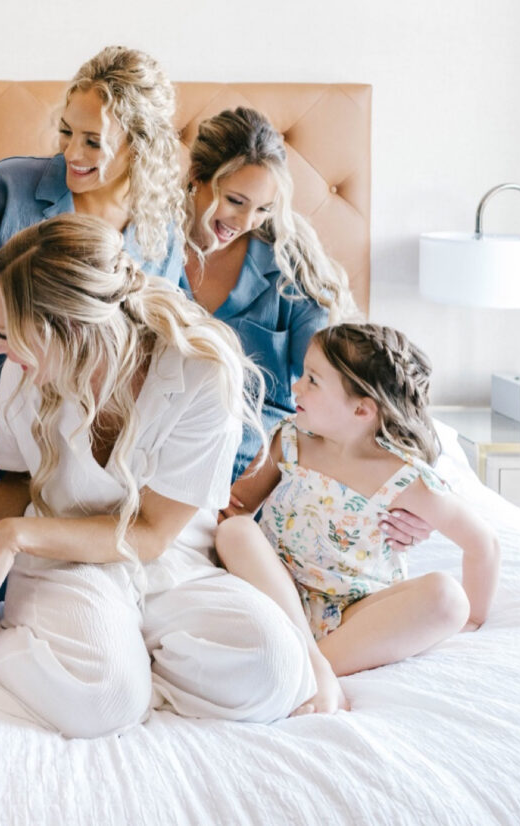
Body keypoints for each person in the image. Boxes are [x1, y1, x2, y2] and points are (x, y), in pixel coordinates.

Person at [0, 214, 316, 739]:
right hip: (67, 562)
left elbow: (153, 533)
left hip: (169, 561)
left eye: (3, 331)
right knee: (104, 700)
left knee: (276, 669)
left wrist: (14, 535)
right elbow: (23, 485)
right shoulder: (25, 367)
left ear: (67, 327)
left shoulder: (201, 371)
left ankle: (128, 661)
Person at [0, 46, 188, 612]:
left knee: (59, 604)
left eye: (92, 142)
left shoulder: (160, 239)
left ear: (140, 146)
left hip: (73, 465)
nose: (71, 154)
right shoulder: (11, 189)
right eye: (66, 132)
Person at [215, 323, 500, 712]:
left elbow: (483, 543)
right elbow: (237, 506)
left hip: (357, 609)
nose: (296, 387)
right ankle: (316, 668)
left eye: (312, 380)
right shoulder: (291, 440)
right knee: (236, 531)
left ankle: (317, 664)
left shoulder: (406, 478)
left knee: (449, 599)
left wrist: (473, 619)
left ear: (362, 409)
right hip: (281, 591)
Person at [183, 106, 432, 550]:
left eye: (263, 208)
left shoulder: (288, 265)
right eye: (235, 201)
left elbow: (348, 382)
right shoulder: (150, 246)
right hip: (159, 440)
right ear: (197, 177)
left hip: (253, 458)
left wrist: (413, 491)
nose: (244, 223)